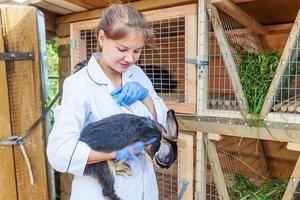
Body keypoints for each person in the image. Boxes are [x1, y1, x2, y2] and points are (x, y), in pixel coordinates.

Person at [46, 4, 169, 200]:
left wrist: (145, 96)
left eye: (137, 51)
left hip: (145, 190)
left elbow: (163, 119)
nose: (130, 58)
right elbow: (60, 153)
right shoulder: (79, 84)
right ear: (102, 38)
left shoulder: (137, 74)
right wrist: (114, 154)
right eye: (122, 49)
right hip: (99, 192)